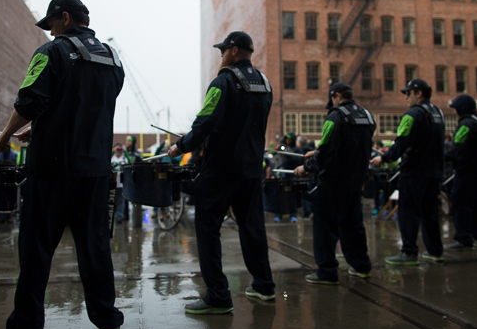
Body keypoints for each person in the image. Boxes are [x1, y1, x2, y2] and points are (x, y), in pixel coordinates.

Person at [0, 0, 125, 329]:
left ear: (63, 18)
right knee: (94, 247)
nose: (51, 32)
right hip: (94, 170)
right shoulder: (112, 57)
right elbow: (86, 106)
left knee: (36, 251)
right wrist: (43, 125)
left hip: (51, 171)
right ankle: (108, 321)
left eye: (52, 25)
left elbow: (29, 101)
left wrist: (3, 136)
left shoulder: (52, 51)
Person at [167, 31, 276, 313]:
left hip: (221, 170)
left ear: (235, 50)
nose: (221, 55)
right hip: (251, 169)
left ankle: (218, 296)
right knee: (252, 227)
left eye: (223, 51)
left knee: (207, 228)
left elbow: (205, 120)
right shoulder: (265, 83)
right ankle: (264, 285)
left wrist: (182, 145)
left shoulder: (223, 81)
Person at [294, 82, 374, 283]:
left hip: (332, 183)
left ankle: (327, 272)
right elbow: (351, 148)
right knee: (353, 225)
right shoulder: (367, 116)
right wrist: (319, 152)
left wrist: (307, 166)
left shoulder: (335, 116)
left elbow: (328, 152)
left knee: (324, 228)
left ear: (336, 96)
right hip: (355, 182)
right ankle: (361, 266)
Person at [370, 79, 444, 265]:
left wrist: (384, 158)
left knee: (408, 212)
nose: (405, 98)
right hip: (434, 172)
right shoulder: (438, 113)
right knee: (430, 212)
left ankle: (409, 252)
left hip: (414, 172)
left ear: (418, 93)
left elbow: (401, 142)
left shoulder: (413, 114)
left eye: (408, 93)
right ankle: (435, 251)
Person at [443, 95, 477, 249]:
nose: (455, 111)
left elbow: (458, 147)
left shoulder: (466, 124)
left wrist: (440, 158)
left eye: (456, 108)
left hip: (466, 171)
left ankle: (463, 237)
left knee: (460, 204)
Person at [111, 144, 128, 223]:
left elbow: (129, 163)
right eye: (117, 149)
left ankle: (119, 216)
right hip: (112, 182)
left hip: (121, 183)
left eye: (119, 149)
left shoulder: (124, 158)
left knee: (121, 200)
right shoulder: (112, 157)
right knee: (112, 200)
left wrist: (125, 152)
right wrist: (112, 151)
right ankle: (111, 216)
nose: (118, 151)